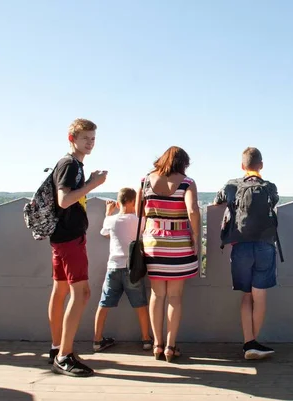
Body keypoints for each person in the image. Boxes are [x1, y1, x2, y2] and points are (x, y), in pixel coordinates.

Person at [49, 118, 107, 377]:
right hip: (70, 238)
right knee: (81, 293)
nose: (90, 143)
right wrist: (93, 184)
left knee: (60, 290)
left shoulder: (72, 164)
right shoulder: (71, 165)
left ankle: (57, 348)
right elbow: (63, 201)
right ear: (71, 138)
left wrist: (89, 181)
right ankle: (64, 355)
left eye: (93, 138)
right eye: (85, 138)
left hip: (61, 238)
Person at [213, 147, 280, 360]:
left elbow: (217, 200)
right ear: (261, 165)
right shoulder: (270, 187)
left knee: (246, 296)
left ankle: (248, 341)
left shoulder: (232, 185)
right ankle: (253, 343)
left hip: (240, 246)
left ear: (242, 166)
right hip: (265, 246)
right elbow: (275, 203)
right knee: (260, 296)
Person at [137, 146, 200, 362]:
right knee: (174, 296)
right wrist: (196, 236)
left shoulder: (145, 180)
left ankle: (157, 344)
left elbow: (139, 212)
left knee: (157, 294)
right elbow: (192, 210)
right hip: (179, 242)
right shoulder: (187, 182)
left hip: (153, 242)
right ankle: (170, 347)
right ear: (183, 163)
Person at [93, 188, 152, 353]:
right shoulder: (140, 220)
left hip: (113, 267)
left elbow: (105, 234)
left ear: (118, 203)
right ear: (134, 201)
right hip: (132, 268)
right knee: (140, 305)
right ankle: (146, 339)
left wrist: (108, 212)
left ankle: (97, 340)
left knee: (103, 304)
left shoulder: (111, 221)